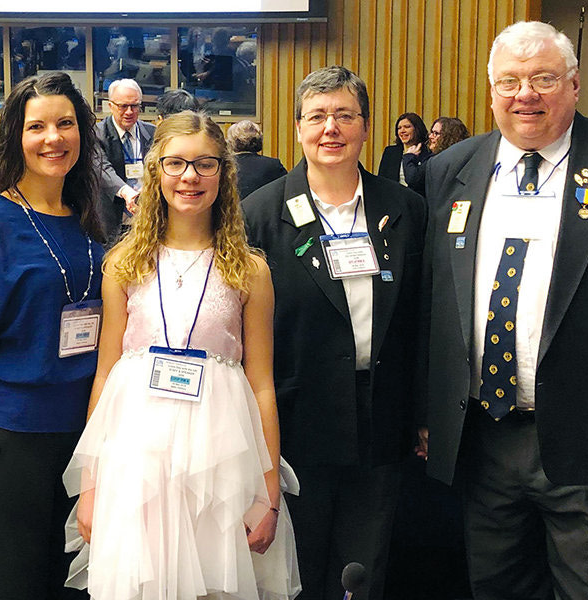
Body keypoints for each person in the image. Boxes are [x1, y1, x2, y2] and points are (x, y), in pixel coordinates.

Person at [420, 21, 588, 599]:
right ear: (491, 91)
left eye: (544, 78)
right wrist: (428, 412)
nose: (526, 94)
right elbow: (433, 302)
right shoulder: (451, 170)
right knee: (495, 587)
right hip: (484, 434)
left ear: (574, 84)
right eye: (510, 81)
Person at [64, 111, 301, 600]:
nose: (189, 176)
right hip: (137, 462)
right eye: (175, 163)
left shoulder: (250, 270)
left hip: (221, 464)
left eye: (204, 164)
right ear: (155, 172)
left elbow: (261, 385)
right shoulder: (124, 264)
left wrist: (269, 492)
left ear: (223, 174)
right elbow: (105, 376)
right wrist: (91, 485)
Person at [242, 66, 426, 600]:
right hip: (295, 421)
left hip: (381, 419)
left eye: (345, 115)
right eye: (318, 116)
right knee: (296, 569)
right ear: (298, 127)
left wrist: (421, 413)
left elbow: (422, 318)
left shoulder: (406, 209)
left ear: (366, 127)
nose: (331, 128)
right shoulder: (260, 214)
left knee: (362, 570)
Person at [0, 71, 104, 600]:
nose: (53, 138)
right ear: (15, 136)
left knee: (74, 587)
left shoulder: (89, 219)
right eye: (37, 127)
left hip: (87, 438)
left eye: (65, 124)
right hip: (13, 438)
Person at [95, 78, 156, 242]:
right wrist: (126, 192)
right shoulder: (97, 134)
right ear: (110, 106)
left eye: (134, 106)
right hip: (112, 219)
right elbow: (102, 168)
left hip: (145, 218)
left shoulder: (152, 133)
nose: (129, 112)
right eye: (123, 106)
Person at [226, 119, 286, 200]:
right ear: (259, 140)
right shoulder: (273, 165)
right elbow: (287, 192)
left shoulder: (224, 166)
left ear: (231, 142)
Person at [377, 112, 431, 195]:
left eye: (407, 127)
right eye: (399, 128)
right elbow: (381, 180)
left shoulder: (427, 153)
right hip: (393, 199)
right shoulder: (390, 152)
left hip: (417, 199)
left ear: (417, 129)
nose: (402, 131)